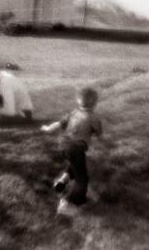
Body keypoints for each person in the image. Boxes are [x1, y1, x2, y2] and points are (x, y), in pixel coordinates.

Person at [40, 86, 103, 217]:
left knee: (75, 165)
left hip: (63, 145)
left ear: (78, 101)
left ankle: (61, 182)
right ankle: (68, 203)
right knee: (83, 179)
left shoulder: (73, 113)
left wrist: (46, 129)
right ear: (95, 103)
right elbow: (100, 136)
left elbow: (58, 124)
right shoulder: (94, 118)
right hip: (75, 148)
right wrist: (108, 144)